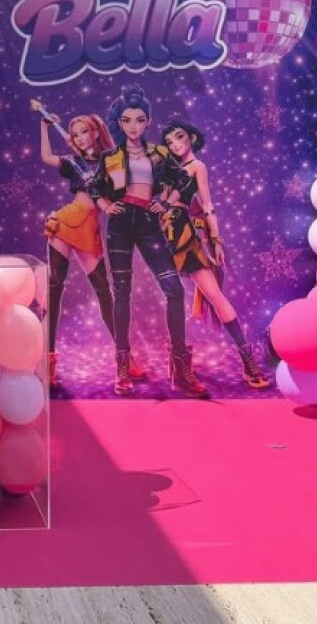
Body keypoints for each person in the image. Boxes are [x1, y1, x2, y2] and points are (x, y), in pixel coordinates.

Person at [94, 85, 209, 398]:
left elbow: (184, 181)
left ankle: (180, 367)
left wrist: (167, 202)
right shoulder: (109, 157)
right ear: (119, 123)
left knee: (174, 289)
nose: (133, 126)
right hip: (120, 224)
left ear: (147, 122)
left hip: (147, 221)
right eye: (127, 120)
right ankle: (122, 365)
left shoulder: (159, 153)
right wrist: (105, 205)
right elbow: (94, 187)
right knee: (122, 293)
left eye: (140, 120)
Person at [33, 100, 146, 389]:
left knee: (104, 293)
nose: (80, 138)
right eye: (76, 134)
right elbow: (46, 156)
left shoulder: (110, 160)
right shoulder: (73, 163)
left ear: (94, 132)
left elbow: (123, 188)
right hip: (66, 223)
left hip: (91, 229)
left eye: (84, 131)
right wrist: (44, 126)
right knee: (55, 289)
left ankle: (125, 357)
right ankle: (49, 360)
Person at [159, 119, 271, 389]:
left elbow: (206, 204)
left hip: (182, 235)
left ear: (191, 137)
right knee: (171, 297)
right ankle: (178, 362)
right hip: (160, 232)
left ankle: (247, 360)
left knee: (215, 295)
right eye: (169, 142)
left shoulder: (197, 166)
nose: (175, 144)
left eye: (179, 137)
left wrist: (215, 239)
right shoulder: (168, 168)